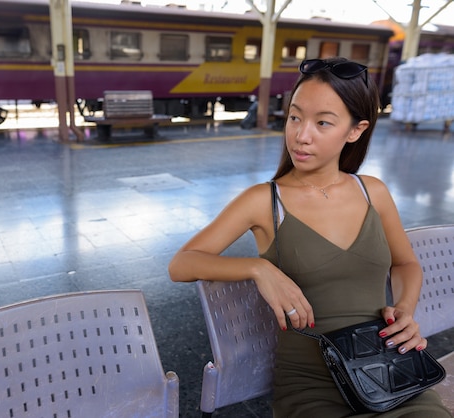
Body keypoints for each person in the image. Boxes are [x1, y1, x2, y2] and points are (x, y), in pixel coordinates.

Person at [168, 57, 452, 417]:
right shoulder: (264, 201)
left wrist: (406, 311)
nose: (301, 135)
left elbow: (406, 262)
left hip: (390, 370)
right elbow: (181, 264)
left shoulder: (373, 193)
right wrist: (258, 268)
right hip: (312, 383)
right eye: (295, 117)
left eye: (322, 123)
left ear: (355, 130)